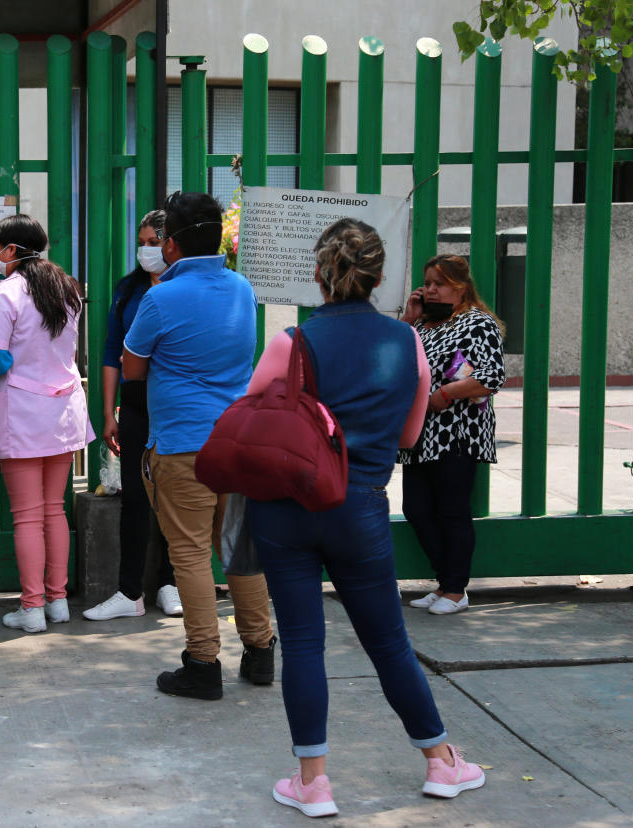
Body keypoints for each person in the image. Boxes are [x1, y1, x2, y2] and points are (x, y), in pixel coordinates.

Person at [246, 219, 485, 818]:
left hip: (286, 510)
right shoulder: (407, 343)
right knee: (388, 643)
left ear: (320, 275)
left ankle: (314, 783)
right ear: (380, 278)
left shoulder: (290, 342)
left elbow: (249, 420)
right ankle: (440, 762)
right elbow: (410, 433)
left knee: (302, 643)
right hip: (360, 506)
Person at [121, 191, 275, 700]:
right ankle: (260, 650)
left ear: (171, 244)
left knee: (187, 553)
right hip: (238, 439)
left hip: (184, 442)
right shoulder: (241, 287)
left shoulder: (160, 297)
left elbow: (133, 367)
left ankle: (203, 662)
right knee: (238, 549)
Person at [0, 214, 93, 633]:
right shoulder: (68, 287)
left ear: (12, 250)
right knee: (54, 509)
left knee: (26, 516)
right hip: (63, 409)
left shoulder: (5, 293)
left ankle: (32, 607)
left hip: (23, 411)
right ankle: (57, 601)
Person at [84, 210, 181, 622]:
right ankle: (129, 591)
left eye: (155, 241)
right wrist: (109, 412)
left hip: (176, 403)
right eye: (142, 241)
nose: (147, 249)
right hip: (136, 401)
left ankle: (171, 583)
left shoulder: (184, 288)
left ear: (172, 243)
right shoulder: (129, 290)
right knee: (135, 497)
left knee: (177, 495)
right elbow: (111, 353)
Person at [399, 254, 506, 616]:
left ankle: (455, 589)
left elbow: (492, 376)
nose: (430, 289)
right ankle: (446, 582)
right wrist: (410, 319)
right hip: (420, 435)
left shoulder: (478, 323)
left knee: (451, 512)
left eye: (438, 283)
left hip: (456, 433)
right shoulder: (426, 326)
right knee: (415, 508)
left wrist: (443, 396)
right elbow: (398, 362)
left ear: (460, 287)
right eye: (427, 282)